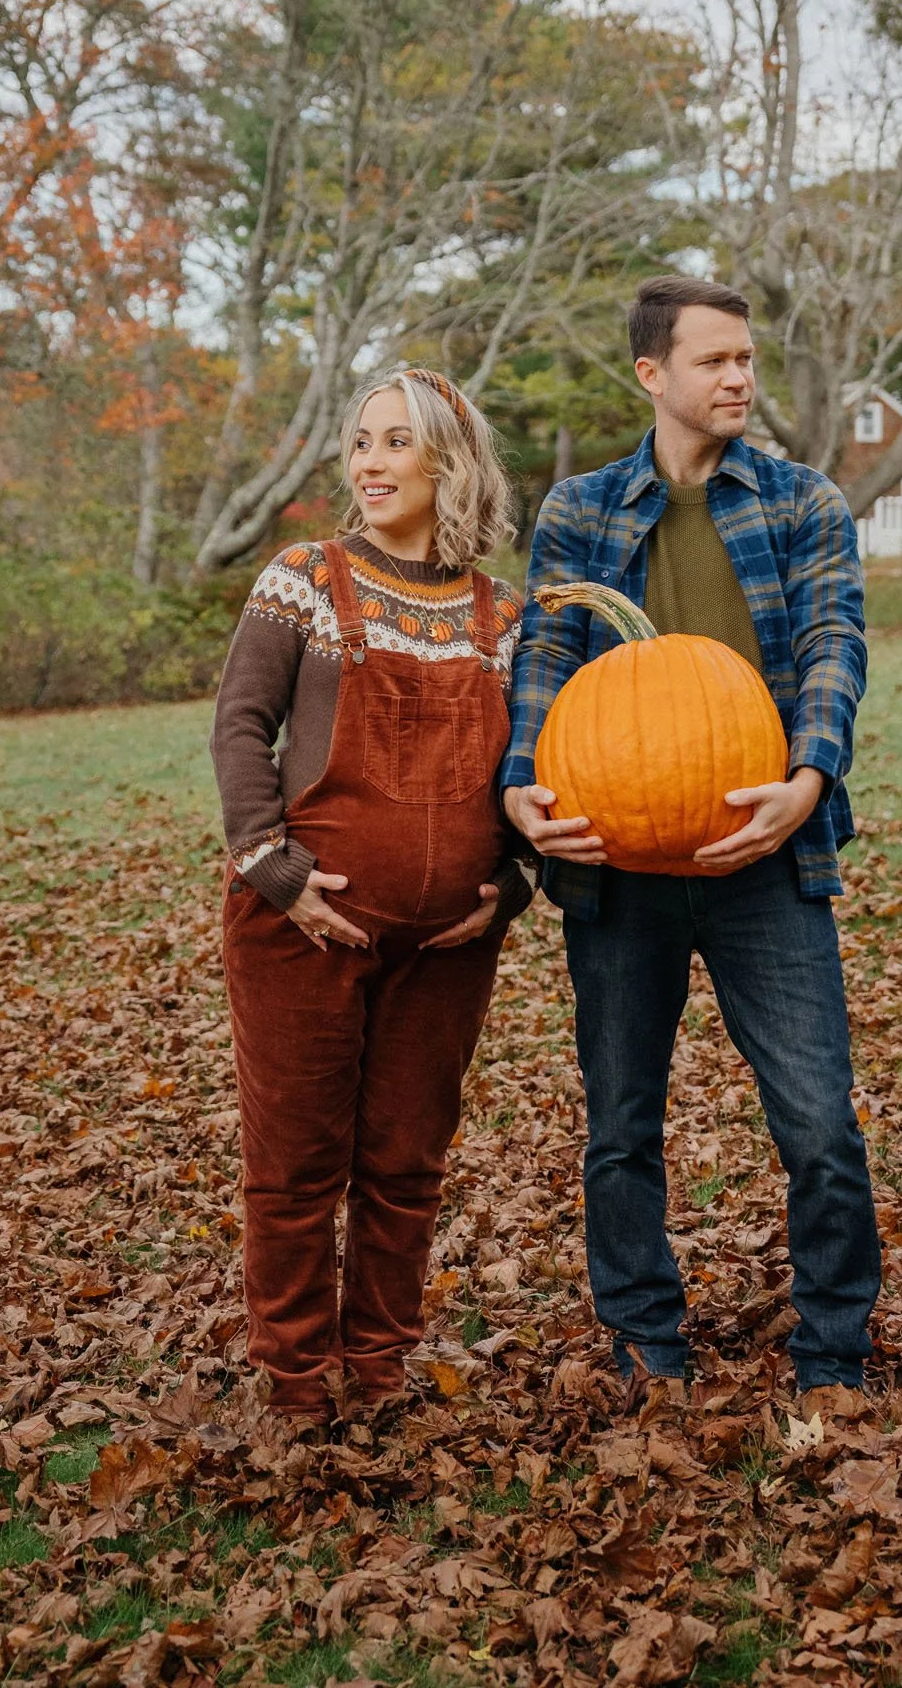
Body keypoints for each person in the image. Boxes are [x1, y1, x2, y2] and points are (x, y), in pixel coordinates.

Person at [503, 275, 879, 1406]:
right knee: (620, 1125)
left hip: (762, 854)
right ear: (650, 375)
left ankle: (831, 1352)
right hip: (614, 859)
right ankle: (643, 1340)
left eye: (746, 359)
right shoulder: (579, 508)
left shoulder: (802, 501)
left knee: (817, 1123)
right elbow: (542, 659)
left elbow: (832, 643)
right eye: (714, 361)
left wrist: (807, 777)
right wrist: (521, 787)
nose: (738, 378)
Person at [211, 368, 531, 1432]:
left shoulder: (503, 616)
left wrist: (512, 887)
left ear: (453, 460)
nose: (371, 461)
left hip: (447, 945)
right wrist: (277, 870)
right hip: (301, 931)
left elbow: (537, 772)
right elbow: (239, 730)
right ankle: (298, 1382)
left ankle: (380, 1364)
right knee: (298, 1164)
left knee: (404, 1161)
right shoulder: (306, 577)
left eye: (397, 441)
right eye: (360, 443)